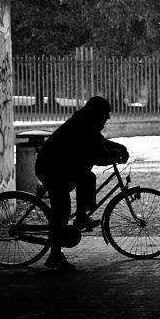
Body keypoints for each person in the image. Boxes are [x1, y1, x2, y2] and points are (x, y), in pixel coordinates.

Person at [35, 96, 129, 271]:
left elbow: (101, 143)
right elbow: (97, 154)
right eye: (105, 114)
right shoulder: (83, 127)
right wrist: (114, 154)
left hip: (62, 166)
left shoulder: (87, 124)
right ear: (97, 113)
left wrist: (119, 148)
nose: (108, 118)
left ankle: (81, 217)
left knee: (87, 177)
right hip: (52, 169)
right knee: (62, 211)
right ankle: (55, 256)